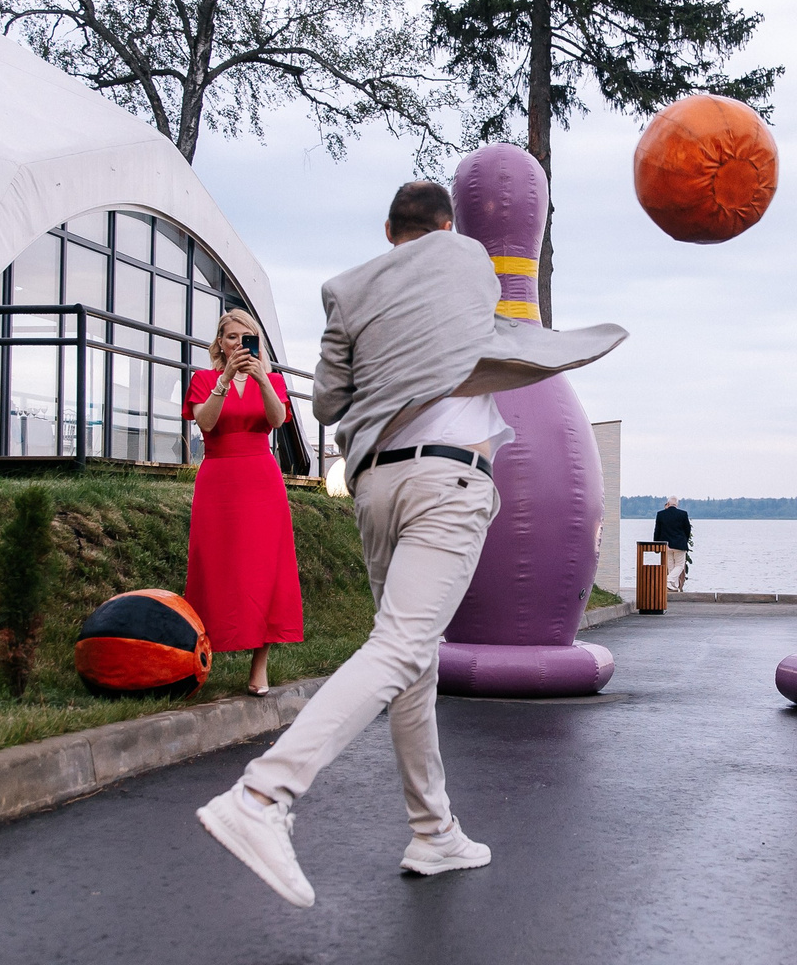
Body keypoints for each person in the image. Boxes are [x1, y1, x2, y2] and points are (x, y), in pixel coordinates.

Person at [195, 180, 625, 908]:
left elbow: (329, 400)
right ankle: (263, 794)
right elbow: (487, 334)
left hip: (375, 486)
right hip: (444, 485)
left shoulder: (350, 290)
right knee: (399, 648)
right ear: (448, 226)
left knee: (412, 662)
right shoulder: (467, 261)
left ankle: (434, 830)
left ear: (388, 230)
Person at [183, 310, 304, 696]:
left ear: (256, 343)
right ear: (220, 343)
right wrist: (223, 381)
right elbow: (206, 422)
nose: (238, 344)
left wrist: (260, 379)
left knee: (264, 568)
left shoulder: (273, 381)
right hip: (218, 479)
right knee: (213, 567)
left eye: (245, 337)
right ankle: (200, 657)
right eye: (231, 337)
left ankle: (260, 665)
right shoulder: (203, 380)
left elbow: (277, 418)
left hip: (260, 481)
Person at [651, 496, 693, 592]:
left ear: (668, 503)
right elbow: (687, 529)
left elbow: (657, 530)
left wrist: (656, 544)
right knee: (680, 565)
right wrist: (684, 540)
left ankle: (673, 586)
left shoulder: (661, 514)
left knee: (670, 566)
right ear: (676, 504)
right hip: (679, 543)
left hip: (666, 544)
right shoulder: (683, 514)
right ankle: (669, 581)